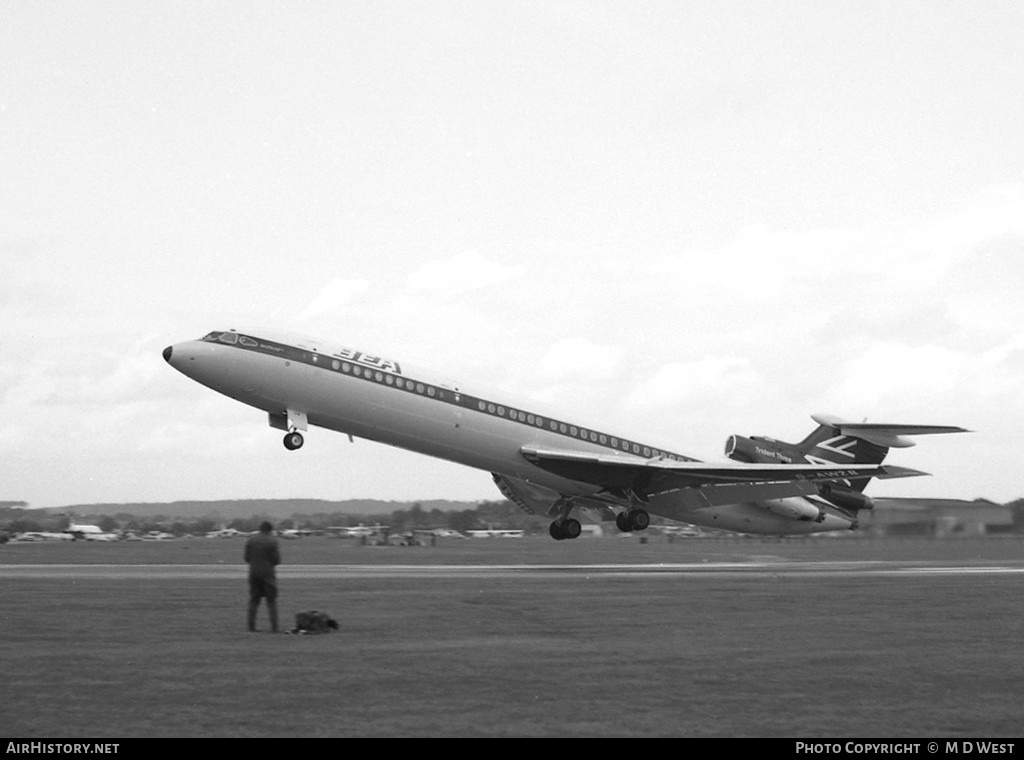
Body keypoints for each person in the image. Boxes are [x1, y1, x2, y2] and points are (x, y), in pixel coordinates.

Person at [244, 521, 281, 632]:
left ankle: (251, 627)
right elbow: (276, 560)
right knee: (271, 601)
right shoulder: (272, 541)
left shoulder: (251, 540)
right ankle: (274, 628)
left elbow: (246, 558)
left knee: (254, 600)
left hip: (253, 572)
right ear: (270, 530)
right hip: (268, 573)